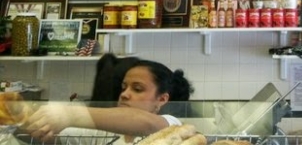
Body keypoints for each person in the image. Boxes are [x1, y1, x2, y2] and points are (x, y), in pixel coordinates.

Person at [25, 59, 194, 144]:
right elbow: (58, 136)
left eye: (137, 89)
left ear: (162, 99)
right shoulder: (107, 133)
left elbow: (146, 124)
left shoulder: (173, 126)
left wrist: (71, 114)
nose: (125, 94)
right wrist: (31, 120)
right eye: (124, 87)